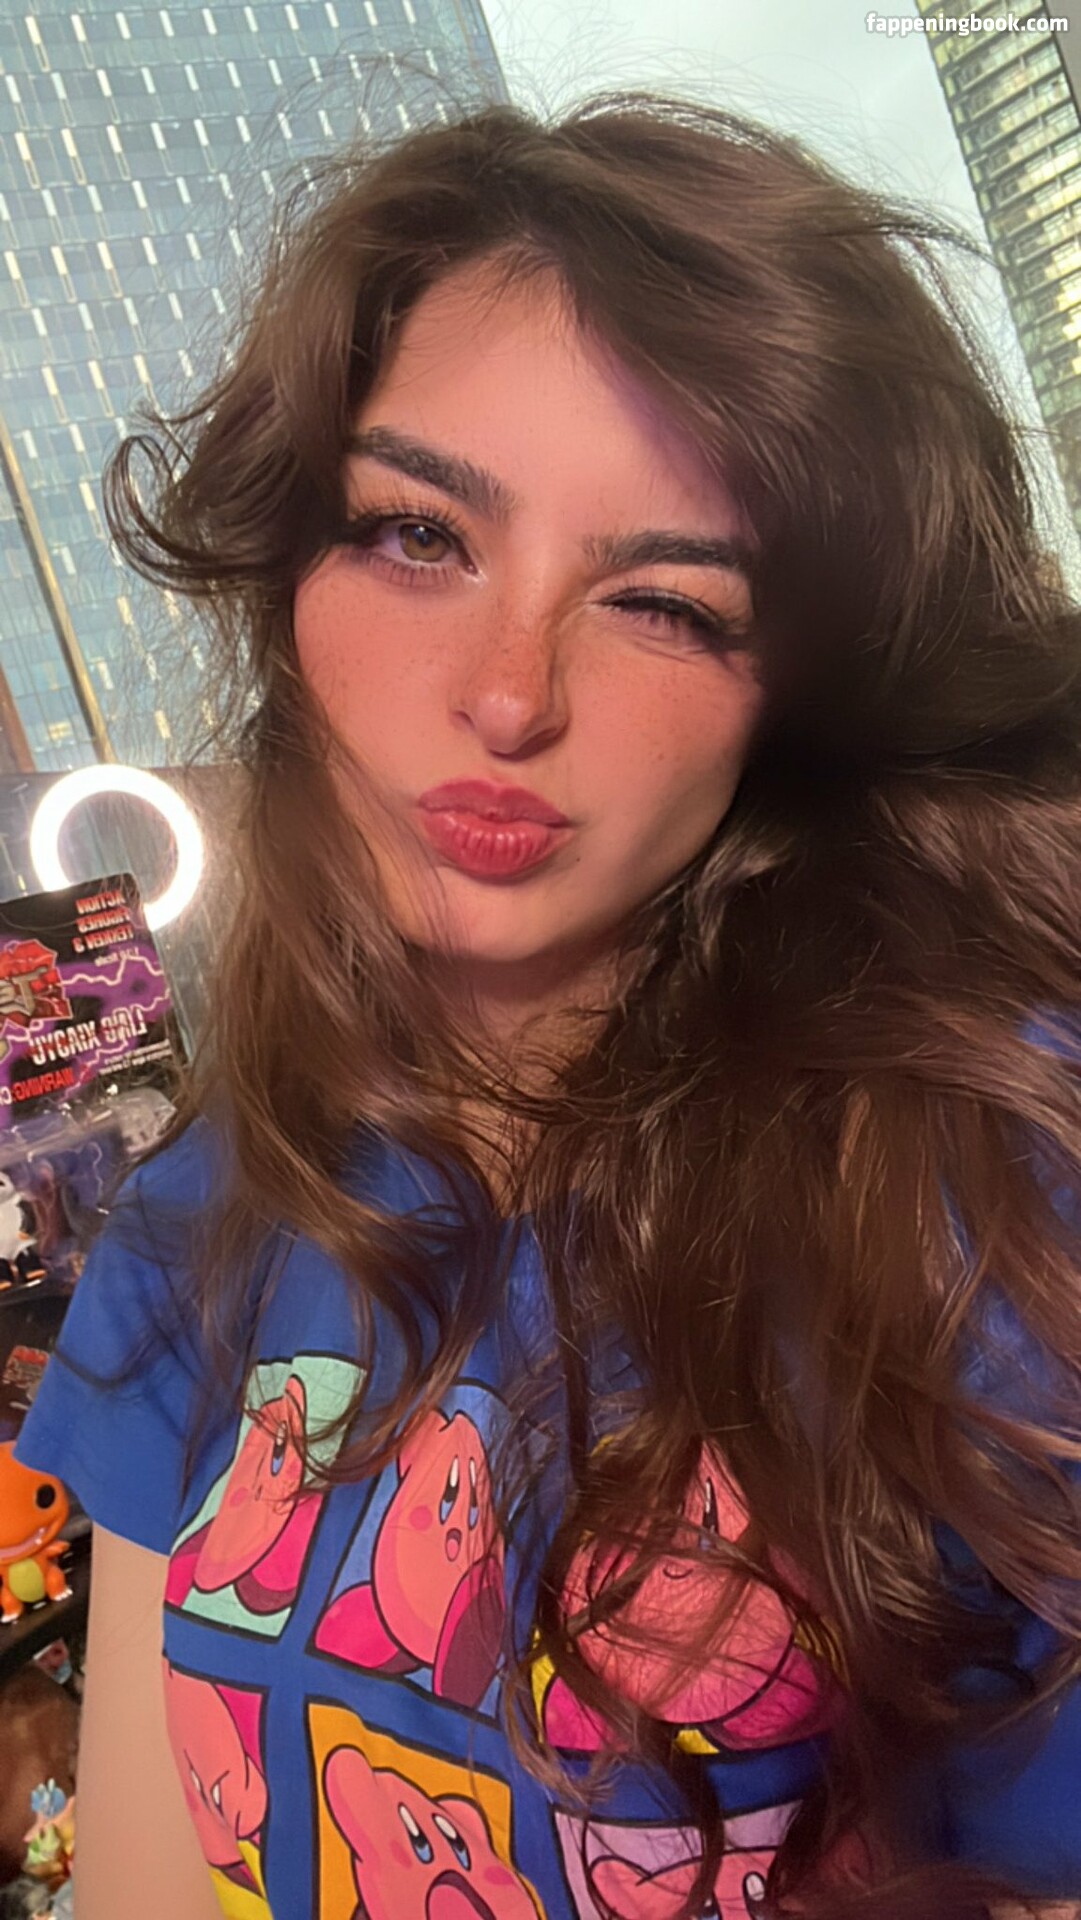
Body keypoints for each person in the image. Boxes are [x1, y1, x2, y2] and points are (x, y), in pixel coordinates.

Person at [14, 88, 1081, 1920]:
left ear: (799, 692)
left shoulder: (984, 1181)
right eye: (418, 535)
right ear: (286, 575)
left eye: (664, 602)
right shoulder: (206, 1215)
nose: (509, 694)